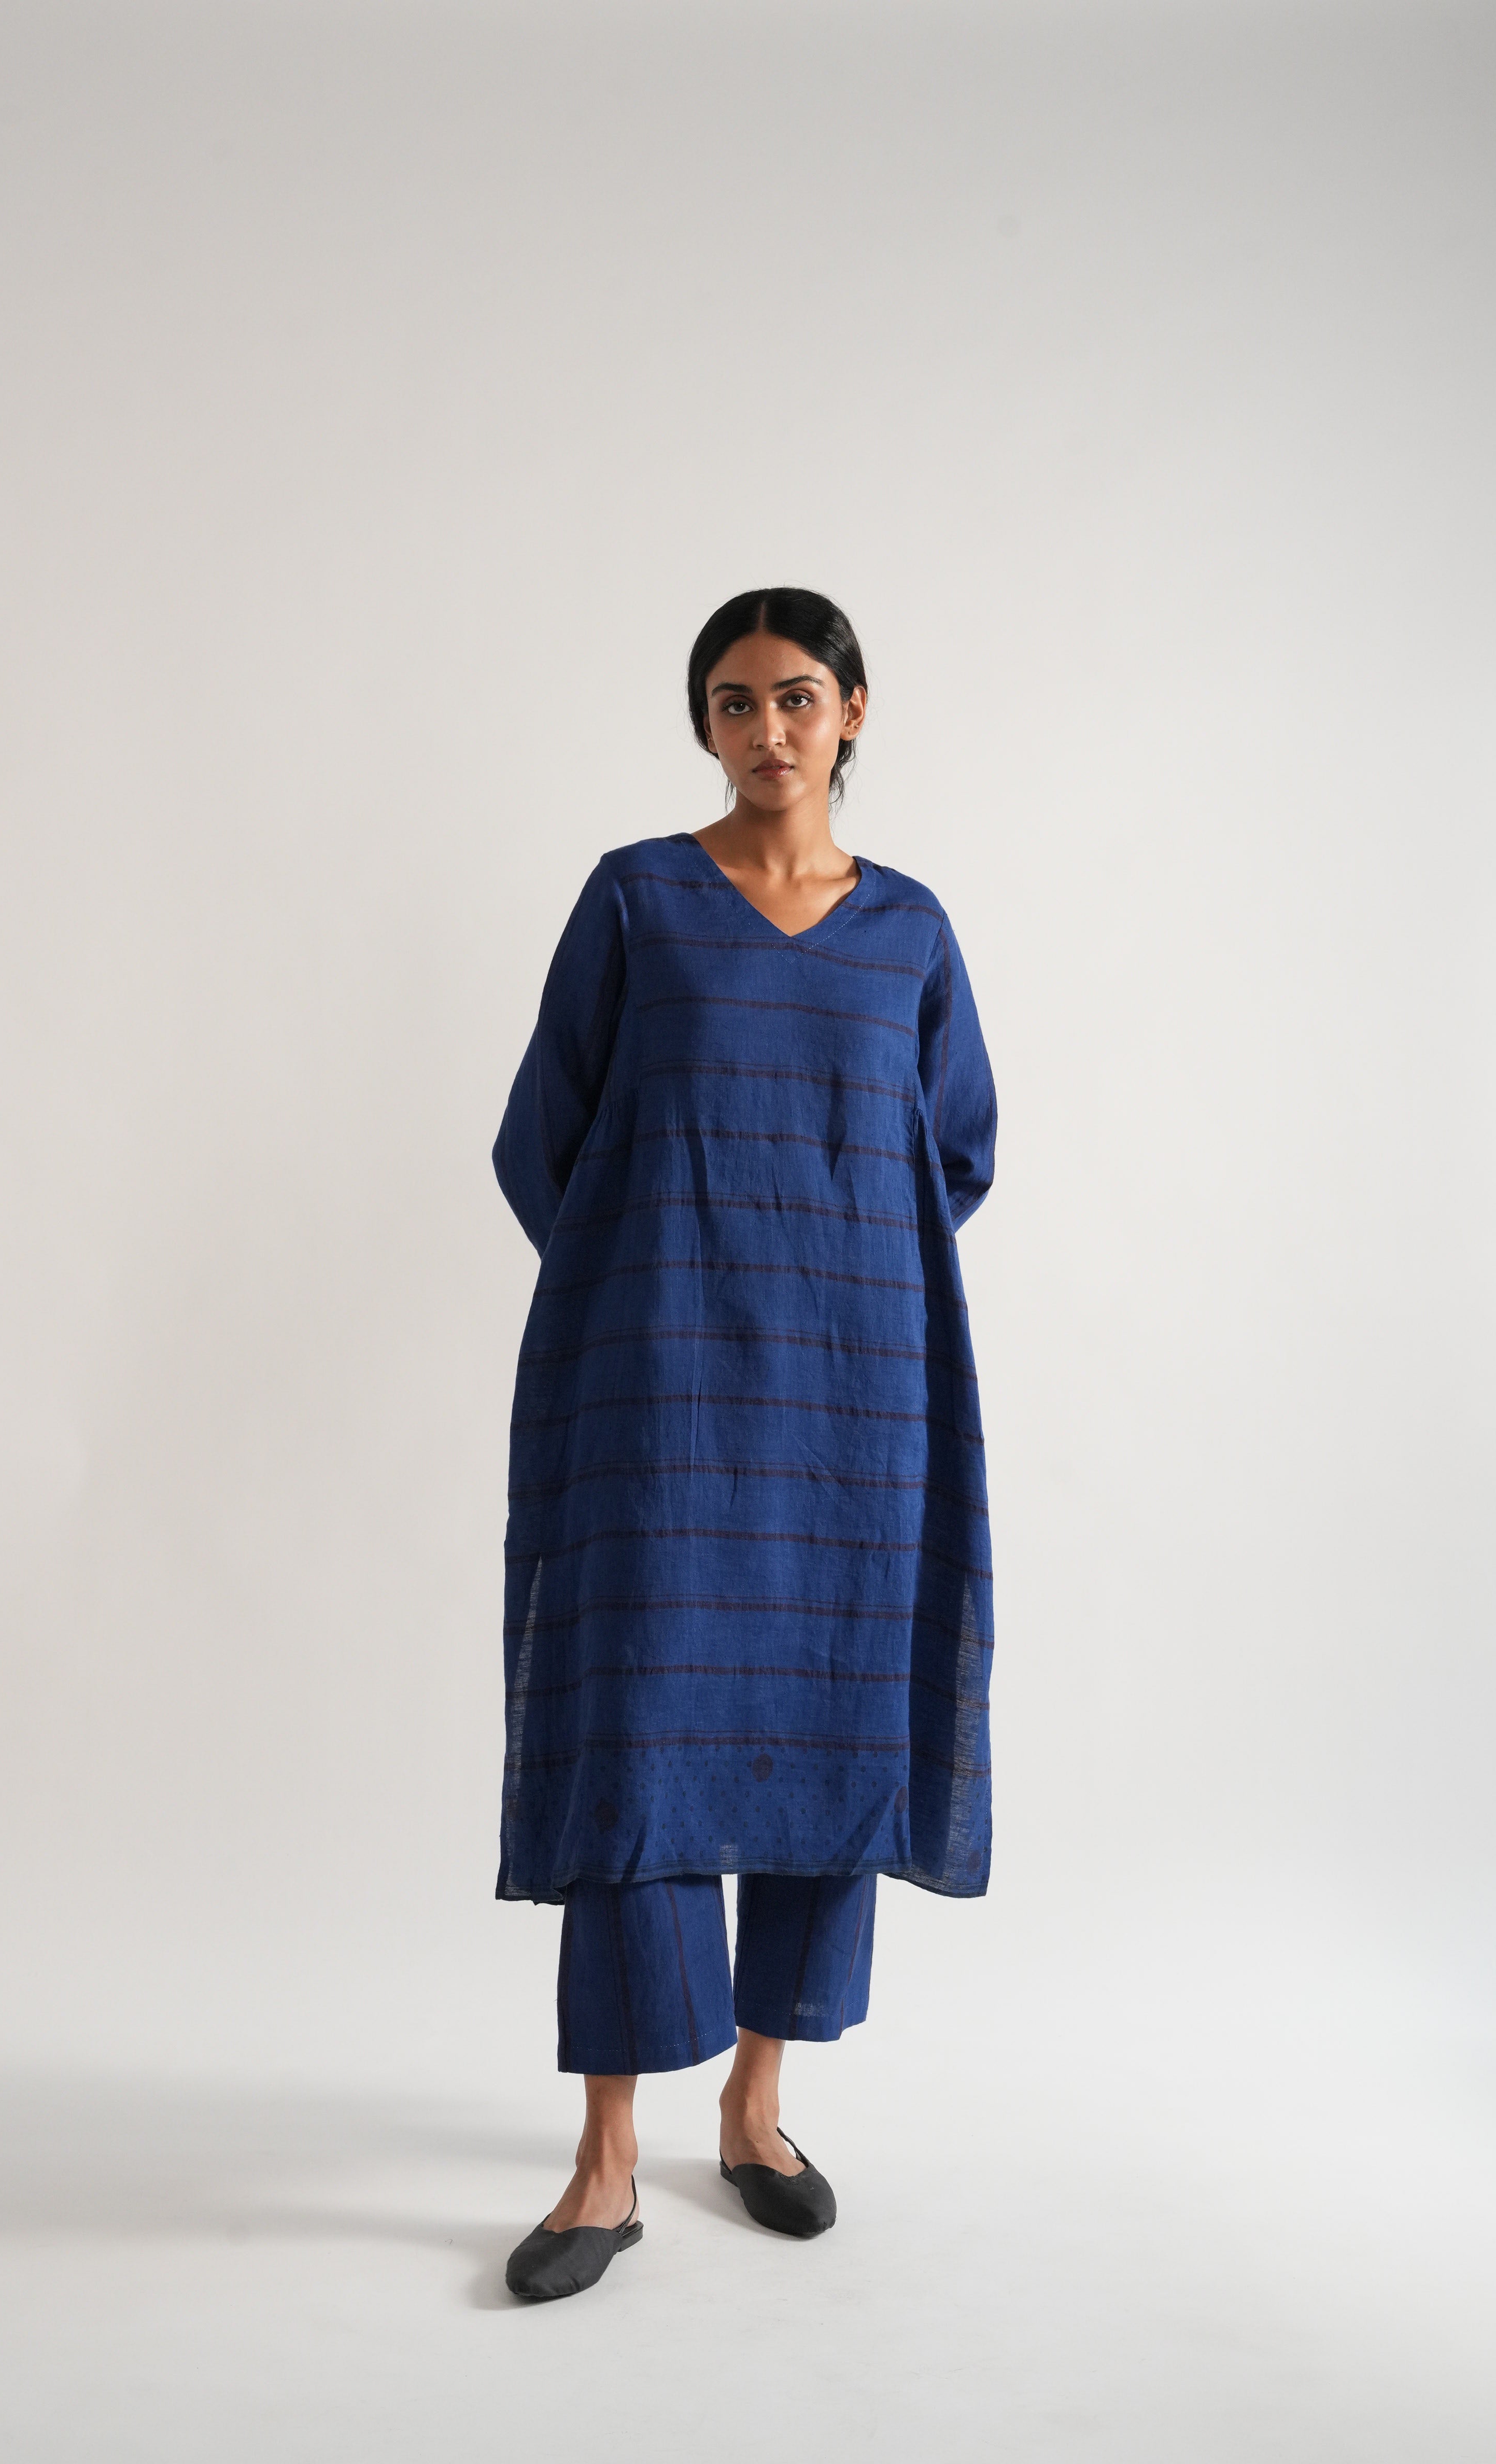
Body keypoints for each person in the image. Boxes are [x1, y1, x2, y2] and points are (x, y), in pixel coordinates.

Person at [492, 587, 996, 2302]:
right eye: (732, 700)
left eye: (795, 696)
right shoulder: (638, 898)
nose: (765, 728)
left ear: (853, 711)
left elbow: (957, 1154)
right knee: (636, 1735)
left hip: (856, 1401)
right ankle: (605, 2155)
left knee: (827, 1720)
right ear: (703, 723)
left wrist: (822, 1267)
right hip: (657, 1395)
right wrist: (658, 1278)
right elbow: (543, 1139)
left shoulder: (912, 931)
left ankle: (758, 2108)